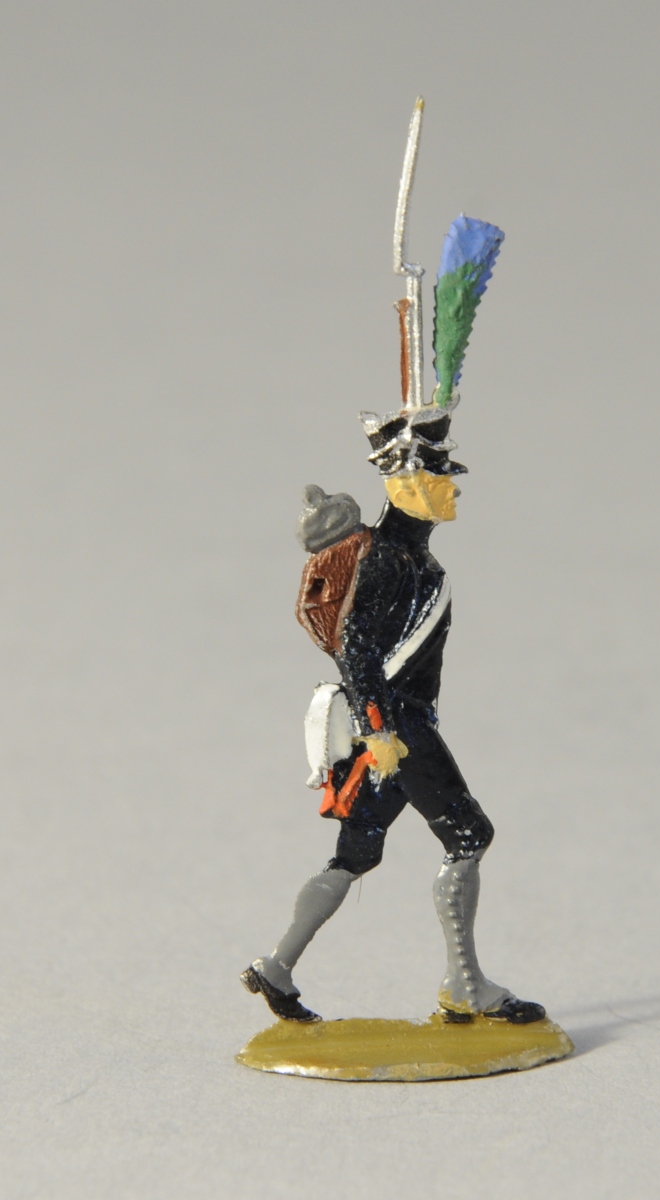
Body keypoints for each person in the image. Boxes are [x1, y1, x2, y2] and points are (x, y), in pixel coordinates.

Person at [241, 404, 546, 1025]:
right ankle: (465, 986)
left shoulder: (415, 559)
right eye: (439, 477)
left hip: (387, 727)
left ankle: (276, 966)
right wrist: (379, 731)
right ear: (408, 486)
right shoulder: (386, 560)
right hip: (398, 727)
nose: (452, 488)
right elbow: (355, 650)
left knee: (357, 852)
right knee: (468, 834)